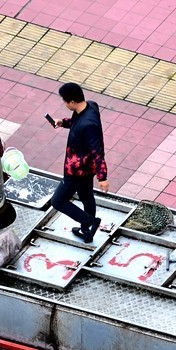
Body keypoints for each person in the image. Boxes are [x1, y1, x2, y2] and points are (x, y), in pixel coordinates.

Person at [50, 82, 108, 243]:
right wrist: (64, 122)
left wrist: (102, 177)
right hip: (86, 168)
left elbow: (98, 151)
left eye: (65, 101)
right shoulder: (90, 106)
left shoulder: (88, 125)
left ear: (72, 102)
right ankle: (87, 231)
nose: (64, 104)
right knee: (86, 196)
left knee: (58, 201)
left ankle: (90, 222)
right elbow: (77, 123)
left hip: (76, 171)